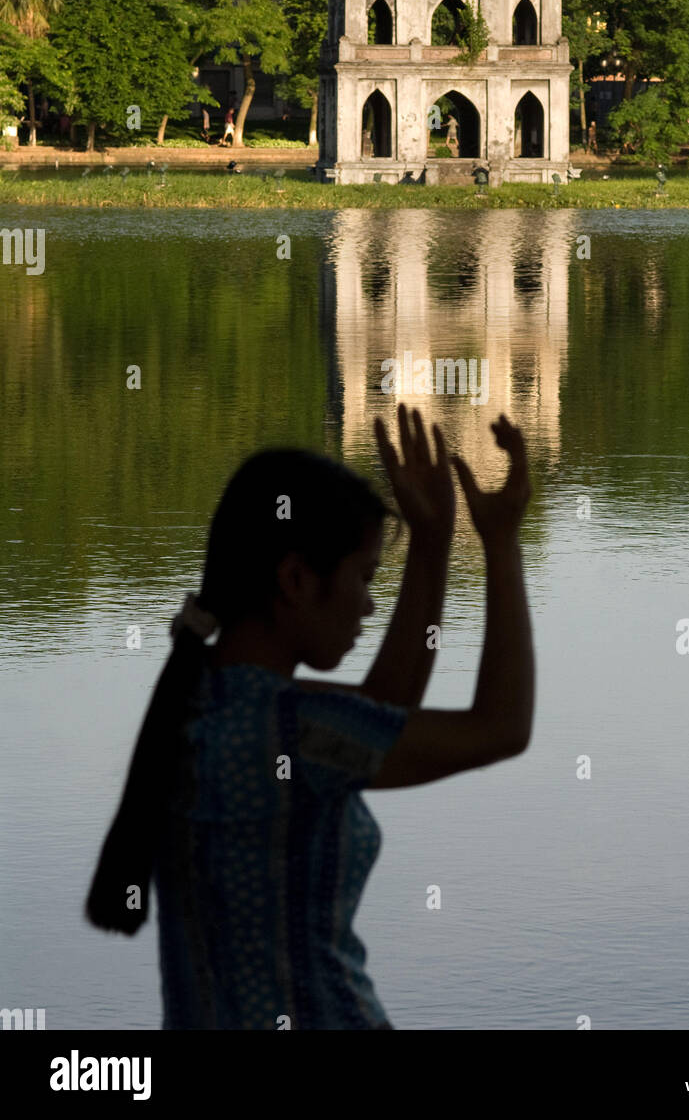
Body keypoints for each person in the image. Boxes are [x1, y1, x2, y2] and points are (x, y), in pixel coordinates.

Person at [84, 404, 534, 1031]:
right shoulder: (291, 730)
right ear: (295, 578)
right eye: (364, 576)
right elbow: (501, 727)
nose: (370, 605)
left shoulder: (196, 707)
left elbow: (377, 716)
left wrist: (432, 547)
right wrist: (502, 542)